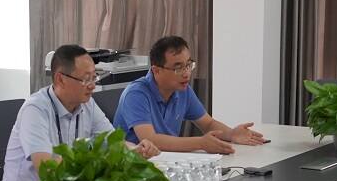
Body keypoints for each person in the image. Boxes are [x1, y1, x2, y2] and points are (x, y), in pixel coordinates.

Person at [1, 44, 160, 181]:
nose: (92, 85)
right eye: (86, 79)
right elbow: (46, 167)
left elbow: (113, 141)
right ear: (60, 79)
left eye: (94, 77)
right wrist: (96, 167)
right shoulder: (35, 109)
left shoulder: (87, 104)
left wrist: (135, 150)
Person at [112, 36, 267, 154]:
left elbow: (208, 124)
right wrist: (201, 143)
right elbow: (151, 140)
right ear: (156, 70)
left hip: (168, 162)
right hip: (134, 168)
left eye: (188, 65)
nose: (186, 73)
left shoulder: (182, 90)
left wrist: (231, 134)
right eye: (178, 68)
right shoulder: (136, 94)